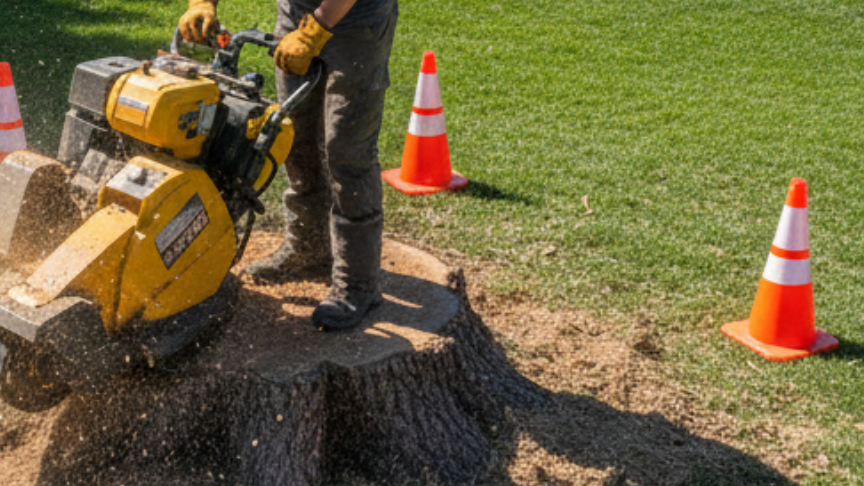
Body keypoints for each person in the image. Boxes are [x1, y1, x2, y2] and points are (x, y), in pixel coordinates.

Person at [179, 0, 398, 330]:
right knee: (293, 135)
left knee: (347, 152)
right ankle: (308, 246)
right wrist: (201, 3)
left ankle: (358, 282)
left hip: (357, 23)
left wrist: (316, 29)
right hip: (297, 14)